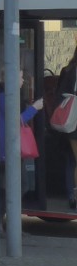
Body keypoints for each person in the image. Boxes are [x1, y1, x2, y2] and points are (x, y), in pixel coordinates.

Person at [57, 53, 77, 209]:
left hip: (69, 123)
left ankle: (71, 195)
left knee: (71, 160)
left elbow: (59, 96)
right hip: (74, 122)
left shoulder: (67, 70)